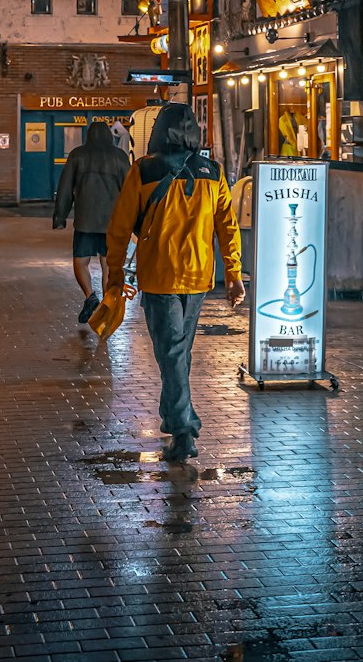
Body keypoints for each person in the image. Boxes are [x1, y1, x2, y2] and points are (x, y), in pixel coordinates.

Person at [105, 103, 244, 463]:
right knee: (178, 351)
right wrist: (232, 273)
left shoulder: (144, 169)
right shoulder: (211, 172)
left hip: (160, 274)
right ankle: (174, 420)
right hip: (198, 276)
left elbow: (120, 227)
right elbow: (227, 227)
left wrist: (115, 275)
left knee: (171, 351)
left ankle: (184, 430)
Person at [53, 121, 130, 323]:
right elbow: (130, 192)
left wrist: (60, 217)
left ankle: (90, 296)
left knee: (80, 261)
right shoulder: (120, 157)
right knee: (107, 264)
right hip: (111, 224)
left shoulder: (78, 155)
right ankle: (105, 306)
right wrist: (134, 221)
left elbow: (65, 187)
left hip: (85, 222)